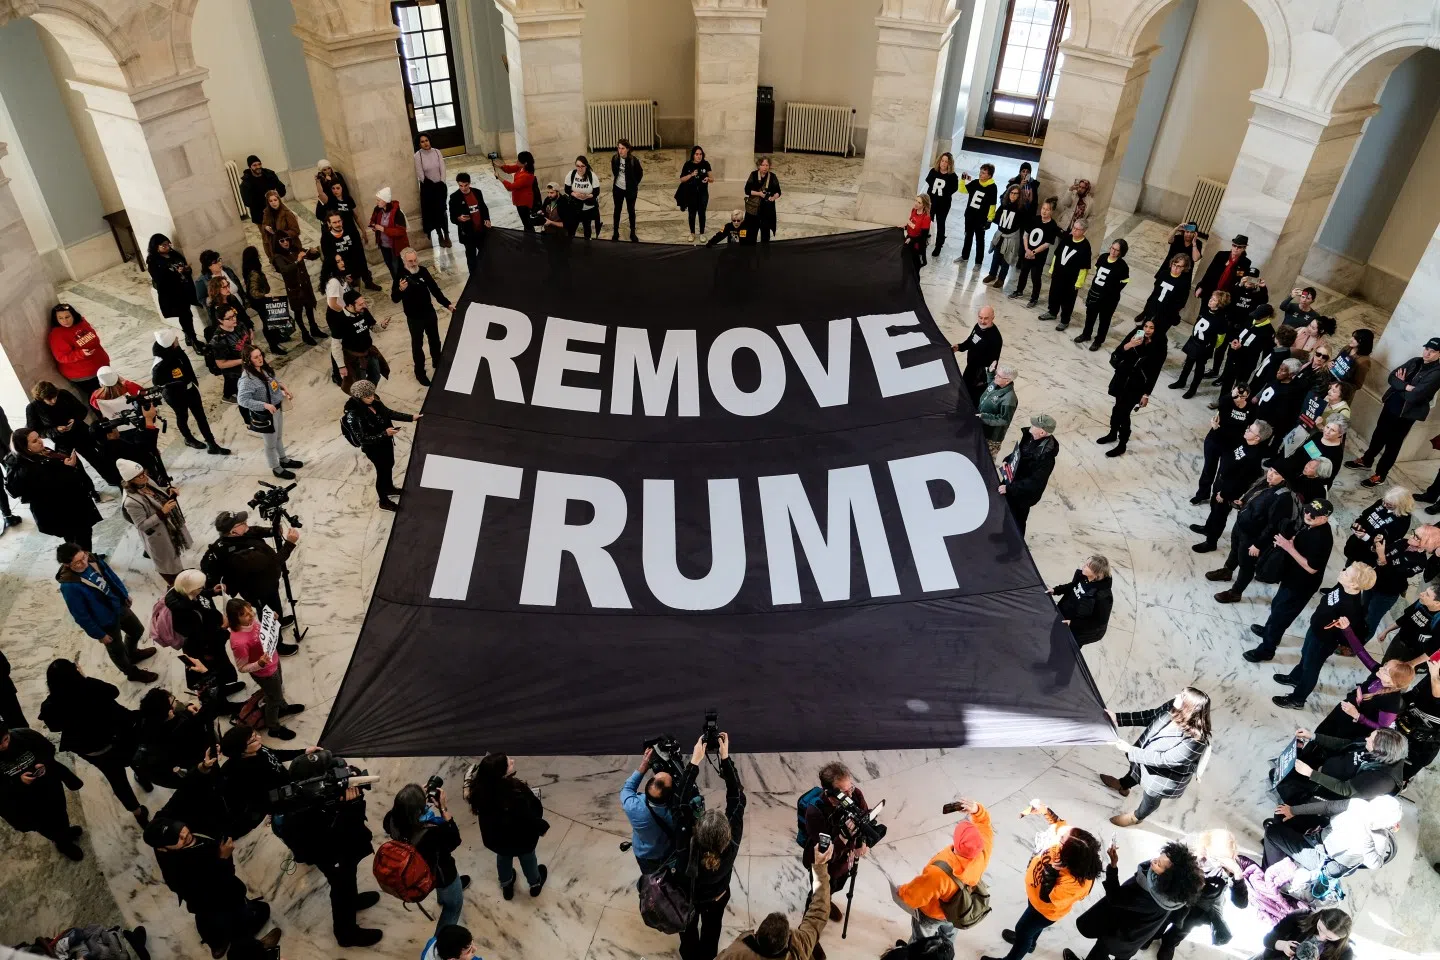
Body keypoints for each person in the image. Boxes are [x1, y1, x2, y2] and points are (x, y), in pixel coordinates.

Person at [272, 750, 384, 947]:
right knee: (341, 887)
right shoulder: (308, 809)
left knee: (348, 880)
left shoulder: (303, 794)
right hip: (332, 853)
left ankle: (353, 900)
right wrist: (352, 806)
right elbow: (342, 831)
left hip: (335, 850)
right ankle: (346, 934)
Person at [144, 815, 282, 959]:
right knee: (249, 922)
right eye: (175, 839)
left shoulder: (169, 847)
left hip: (208, 913)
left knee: (212, 922)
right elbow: (214, 892)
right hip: (220, 903)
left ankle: (217, 943)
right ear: (163, 849)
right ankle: (252, 949)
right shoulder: (179, 872)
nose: (184, 835)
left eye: (178, 829)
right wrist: (223, 860)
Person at [980, 801, 1100, 960]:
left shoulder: (1075, 883)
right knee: (1028, 931)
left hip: (1044, 910)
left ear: (1070, 854)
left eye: (1062, 839)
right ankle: (1029, 943)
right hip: (1035, 899)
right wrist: (1046, 811)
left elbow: (1047, 896)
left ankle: (1021, 946)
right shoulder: (1072, 846)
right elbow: (1059, 825)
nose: (1059, 835)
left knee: (1022, 929)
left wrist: (1052, 870)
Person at [38, 659, 150, 826]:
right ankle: (143, 777)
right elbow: (114, 691)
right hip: (119, 737)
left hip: (94, 751)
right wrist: (85, 678)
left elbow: (54, 727)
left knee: (118, 781)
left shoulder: (49, 706)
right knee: (134, 756)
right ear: (75, 672)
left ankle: (138, 813)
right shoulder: (90, 687)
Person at [1066, 840, 1203, 960]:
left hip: (1120, 934)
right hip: (1138, 936)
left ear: (1169, 877)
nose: (1152, 861)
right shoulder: (1173, 894)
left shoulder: (1148, 896)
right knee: (1122, 955)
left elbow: (1115, 897)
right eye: (1157, 858)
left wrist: (1113, 866)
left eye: (1158, 864)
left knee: (1101, 949)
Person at [1271, 561, 1376, 709]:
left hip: (1323, 641)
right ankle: (1295, 677)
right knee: (1305, 655)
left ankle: (1298, 699)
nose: (1342, 571)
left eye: (1346, 573)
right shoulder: (1342, 586)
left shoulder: (1351, 608)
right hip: (1315, 630)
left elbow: (1347, 634)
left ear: (1354, 585)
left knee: (1311, 667)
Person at [675, 733, 743, 960]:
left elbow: (680, 802)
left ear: (697, 830)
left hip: (688, 898)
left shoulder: (685, 844)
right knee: (712, 931)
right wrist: (725, 758)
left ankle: (689, 956)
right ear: (727, 835)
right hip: (717, 896)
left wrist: (694, 761)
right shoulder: (731, 845)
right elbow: (737, 798)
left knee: (688, 931)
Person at [1101, 688, 1212, 827]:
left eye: (1182, 696)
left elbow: (1164, 760)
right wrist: (1118, 718)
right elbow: (1151, 715)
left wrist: (1130, 749)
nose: (1176, 695)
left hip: (1164, 777)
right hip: (1146, 755)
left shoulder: (1196, 741)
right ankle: (1123, 785)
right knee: (1136, 771)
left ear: (1188, 707)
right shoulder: (1174, 705)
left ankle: (1136, 817)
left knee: (1150, 798)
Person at [1244, 498, 1335, 662]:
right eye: (1307, 510)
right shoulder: (1311, 526)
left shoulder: (1322, 538)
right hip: (1291, 578)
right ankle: (1269, 631)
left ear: (1325, 518)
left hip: (1301, 585)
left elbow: (1312, 568)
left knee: (1281, 616)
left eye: (1314, 515)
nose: (1308, 515)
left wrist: (1289, 548)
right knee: (1277, 606)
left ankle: (1267, 650)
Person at [54, 543, 158, 682]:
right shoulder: (69, 586)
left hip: (118, 605)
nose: (84, 562)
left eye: (83, 557)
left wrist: (124, 594)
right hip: (104, 621)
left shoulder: (91, 559)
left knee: (137, 630)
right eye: (77, 562)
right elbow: (80, 615)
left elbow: (111, 576)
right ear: (67, 565)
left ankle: (132, 654)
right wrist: (99, 634)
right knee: (117, 651)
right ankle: (132, 673)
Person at [1346, 337, 1440, 487]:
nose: (1427, 353)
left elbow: (1415, 395)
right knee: (1378, 435)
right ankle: (1366, 460)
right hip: (1391, 405)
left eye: (1432, 351)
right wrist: (1405, 386)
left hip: (1406, 414)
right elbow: (1392, 377)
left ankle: (1380, 475)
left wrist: (1401, 385)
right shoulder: (1415, 361)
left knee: (1392, 445)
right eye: (1426, 349)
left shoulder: (1436, 373)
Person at [895, 798, 992, 943]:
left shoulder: (940, 873)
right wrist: (977, 810)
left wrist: (901, 891)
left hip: (932, 915)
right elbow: (985, 825)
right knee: (948, 935)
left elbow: (914, 896)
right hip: (957, 911)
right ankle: (946, 950)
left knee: (921, 942)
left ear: (957, 843)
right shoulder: (983, 850)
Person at [716, 843, 831, 960]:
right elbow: (819, 912)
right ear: (786, 943)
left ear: (757, 935)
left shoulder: (735, 953)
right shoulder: (799, 948)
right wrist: (820, 866)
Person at [1261, 794, 1401, 887]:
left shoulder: (1379, 840)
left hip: (1326, 860)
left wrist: (1366, 839)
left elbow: (1374, 864)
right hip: (1320, 834)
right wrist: (1293, 810)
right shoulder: (1358, 805)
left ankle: (1268, 873)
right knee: (1281, 812)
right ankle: (1281, 850)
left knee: (1272, 832)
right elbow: (1328, 807)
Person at [384, 782, 469, 935]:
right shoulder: (432, 831)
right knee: (454, 906)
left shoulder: (391, 819)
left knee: (442, 891)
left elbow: (398, 814)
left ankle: (442, 898)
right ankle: (440, 944)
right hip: (442, 874)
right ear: (419, 810)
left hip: (418, 872)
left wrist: (411, 799)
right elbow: (454, 840)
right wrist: (443, 808)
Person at [202, 509, 300, 638]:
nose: (246, 523)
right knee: (267, 613)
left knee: (274, 604)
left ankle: (279, 621)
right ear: (233, 531)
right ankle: (276, 644)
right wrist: (289, 544)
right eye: (242, 522)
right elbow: (273, 562)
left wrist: (272, 530)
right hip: (258, 590)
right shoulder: (238, 555)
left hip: (268, 583)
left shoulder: (239, 534)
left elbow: (254, 530)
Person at [466, 753, 549, 899]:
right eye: (509, 763)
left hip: (498, 840)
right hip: (521, 838)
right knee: (528, 859)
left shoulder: (480, 792)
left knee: (503, 859)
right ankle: (535, 884)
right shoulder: (515, 792)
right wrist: (541, 826)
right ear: (501, 773)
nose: (513, 761)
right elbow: (530, 814)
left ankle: (506, 885)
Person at [1208, 466, 1298, 602]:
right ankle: (1227, 571)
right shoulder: (1264, 483)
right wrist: (1243, 503)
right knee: (1234, 551)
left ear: (1284, 478)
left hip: (1254, 537)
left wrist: (1258, 544)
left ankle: (1235, 592)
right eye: (1271, 470)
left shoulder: (1283, 498)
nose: (1270, 475)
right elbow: (1254, 499)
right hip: (1241, 526)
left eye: (1276, 473)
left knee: (1246, 565)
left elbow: (1273, 525)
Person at [1152, 831, 1245, 960]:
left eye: (1226, 858)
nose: (1220, 863)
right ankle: (1154, 934)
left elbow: (1241, 903)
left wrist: (1237, 874)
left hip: (1202, 906)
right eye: (1217, 858)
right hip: (1182, 896)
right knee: (1166, 916)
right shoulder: (1191, 855)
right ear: (1206, 849)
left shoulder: (1230, 869)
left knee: (1184, 927)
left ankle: (1169, 943)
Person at [0, 725, 87, 860]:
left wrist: (43, 762)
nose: (4, 746)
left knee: (60, 811)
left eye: (5, 739)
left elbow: (48, 748)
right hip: (24, 800)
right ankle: (62, 843)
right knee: (44, 824)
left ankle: (65, 831)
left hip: (49, 786)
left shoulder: (25, 735)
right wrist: (18, 781)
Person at [801, 761, 873, 924]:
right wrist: (843, 837)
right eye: (843, 793)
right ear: (829, 792)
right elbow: (825, 854)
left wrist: (863, 841)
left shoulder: (855, 794)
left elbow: (865, 817)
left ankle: (828, 901)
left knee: (836, 886)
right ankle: (809, 930)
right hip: (824, 865)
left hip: (845, 862)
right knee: (817, 895)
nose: (849, 797)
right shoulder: (815, 811)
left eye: (850, 789)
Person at [8, 429, 103, 551]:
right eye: (34, 441)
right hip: (62, 510)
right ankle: (85, 561)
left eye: (38, 437)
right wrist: (69, 468)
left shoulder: (38, 455)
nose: (41, 442)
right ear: (25, 447)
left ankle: (85, 557)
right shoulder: (30, 469)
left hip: (67, 508)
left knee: (76, 537)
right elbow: (55, 488)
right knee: (81, 535)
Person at [1190, 420, 1273, 552]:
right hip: (1221, 480)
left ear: (1257, 438)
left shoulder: (1253, 457)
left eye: (1250, 430)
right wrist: (1216, 429)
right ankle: (1207, 528)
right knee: (1213, 506)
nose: (1247, 430)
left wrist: (1224, 494)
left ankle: (1211, 542)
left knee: (1219, 515)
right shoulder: (1244, 440)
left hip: (1228, 490)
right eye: (1248, 427)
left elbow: (1240, 481)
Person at [227, 598, 303, 738]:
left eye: (250, 609)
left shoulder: (251, 623)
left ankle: (282, 707)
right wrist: (259, 664)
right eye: (245, 614)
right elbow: (242, 667)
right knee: (273, 698)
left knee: (277, 689)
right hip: (264, 672)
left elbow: (263, 634)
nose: (251, 614)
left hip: (273, 661)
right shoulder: (239, 642)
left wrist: (272, 622)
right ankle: (273, 727)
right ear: (235, 618)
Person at [25, 379, 120, 488]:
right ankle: (89, 490)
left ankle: (113, 480)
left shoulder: (63, 394)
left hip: (80, 432)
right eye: (49, 399)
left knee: (96, 457)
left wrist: (75, 419)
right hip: (61, 441)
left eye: (54, 397)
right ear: (40, 398)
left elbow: (82, 410)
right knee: (75, 467)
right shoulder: (32, 408)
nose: (53, 401)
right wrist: (56, 430)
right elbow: (35, 431)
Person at [343, 380, 419, 511]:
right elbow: (362, 438)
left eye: (373, 394)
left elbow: (388, 412)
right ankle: (383, 501)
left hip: (385, 442)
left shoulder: (374, 401)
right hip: (373, 448)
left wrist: (411, 417)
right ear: (358, 397)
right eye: (368, 397)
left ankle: (389, 488)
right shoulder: (353, 415)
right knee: (382, 472)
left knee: (390, 464)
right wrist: (384, 434)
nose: (372, 398)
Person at [1038, 556, 1114, 686]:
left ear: (1097, 574)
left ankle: (1062, 682)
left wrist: (1073, 623)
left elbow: (1098, 622)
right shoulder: (1084, 577)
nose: (1084, 566)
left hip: (1080, 630)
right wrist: (1056, 590)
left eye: (1088, 566)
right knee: (1055, 641)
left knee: (1067, 654)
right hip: (1064, 617)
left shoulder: (1103, 596)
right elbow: (1072, 586)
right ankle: (1052, 665)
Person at [1280, 726, 1407, 804]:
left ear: (1381, 750)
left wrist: (1311, 773)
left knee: (1286, 789)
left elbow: (1346, 789)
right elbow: (1346, 744)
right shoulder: (1376, 744)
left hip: (1326, 790)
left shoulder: (1382, 780)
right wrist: (1313, 736)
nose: (1367, 738)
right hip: (1324, 769)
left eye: (1371, 740)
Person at [216, 725, 303, 838]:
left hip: (285, 786)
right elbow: (263, 800)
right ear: (241, 751)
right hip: (279, 799)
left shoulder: (257, 749)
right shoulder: (243, 773)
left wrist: (304, 751)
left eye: (255, 734)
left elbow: (275, 754)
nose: (259, 738)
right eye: (253, 739)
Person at [166, 568, 241, 696]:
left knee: (220, 670)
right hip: (206, 650)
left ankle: (223, 686)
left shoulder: (180, 592)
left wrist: (211, 592)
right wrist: (224, 627)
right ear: (190, 591)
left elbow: (200, 598)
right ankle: (221, 697)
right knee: (214, 674)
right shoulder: (185, 614)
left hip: (209, 642)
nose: (203, 588)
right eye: (201, 587)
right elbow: (204, 636)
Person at [151, 331, 228, 454]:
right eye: (174, 338)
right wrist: (177, 382)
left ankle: (211, 443)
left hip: (190, 388)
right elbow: (158, 383)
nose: (177, 337)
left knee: (200, 416)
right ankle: (188, 438)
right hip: (175, 395)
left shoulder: (176, 350)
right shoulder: (160, 364)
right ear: (170, 344)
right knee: (182, 416)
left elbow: (186, 366)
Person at [117, 458, 191, 586]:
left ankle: (180, 574)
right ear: (131, 481)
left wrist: (168, 491)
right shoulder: (131, 502)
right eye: (139, 476)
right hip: (158, 533)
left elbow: (156, 492)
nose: (144, 477)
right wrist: (162, 512)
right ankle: (175, 584)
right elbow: (141, 525)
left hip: (169, 526)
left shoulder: (146, 481)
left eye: (143, 473)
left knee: (173, 555)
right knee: (166, 562)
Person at [1098, 319, 1165, 457]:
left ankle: (1122, 444)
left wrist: (1146, 394)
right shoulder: (1135, 335)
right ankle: (1112, 433)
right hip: (1122, 378)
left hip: (1137, 384)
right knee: (1117, 408)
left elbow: (1155, 372)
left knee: (1123, 412)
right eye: (1145, 326)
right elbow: (1118, 352)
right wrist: (1129, 345)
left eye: (1151, 327)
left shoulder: (1160, 345)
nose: (1147, 330)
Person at [237, 346, 302, 480]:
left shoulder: (263, 369)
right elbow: (242, 400)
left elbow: (274, 381)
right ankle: (276, 468)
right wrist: (264, 405)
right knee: (270, 443)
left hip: (277, 409)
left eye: (260, 355)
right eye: (256, 357)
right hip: (266, 415)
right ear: (248, 360)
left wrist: (284, 387)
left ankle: (284, 460)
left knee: (278, 437)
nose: (260, 359)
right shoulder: (247, 380)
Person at [391, 247, 453, 385]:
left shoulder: (423, 271)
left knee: (435, 340)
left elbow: (435, 289)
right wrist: (400, 289)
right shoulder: (400, 275)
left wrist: (447, 304)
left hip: (429, 312)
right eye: (410, 261)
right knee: (417, 345)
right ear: (404, 261)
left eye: (415, 260)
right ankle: (419, 373)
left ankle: (437, 362)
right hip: (414, 318)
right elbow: (394, 298)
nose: (413, 263)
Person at [619, 745, 680, 875]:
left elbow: (627, 789)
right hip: (667, 855)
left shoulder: (632, 806)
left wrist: (643, 766)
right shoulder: (672, 816)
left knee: (651, 885)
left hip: (644, 856)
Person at [999, 415, 1059, 535]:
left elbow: (1034, 482)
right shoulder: (1030, 436)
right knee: (1007, 512)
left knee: (1017, 520)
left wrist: (1009, 488)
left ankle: (1015, 547)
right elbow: (1019, 451)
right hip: (1013, 482)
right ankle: (1004, 534)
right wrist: (1008, 459)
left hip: (1022, 494)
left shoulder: (1046, 458)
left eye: (1034, 425)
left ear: (1042, 432)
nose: (1031, 426)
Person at [1193, 385, 1253, 503]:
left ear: (1248, 397)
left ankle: (1218, 497)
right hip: (1215, 441)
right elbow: (1222, 402)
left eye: (1243, 397)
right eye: (1237, 395)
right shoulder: (1227, 402)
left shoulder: (1251, 409)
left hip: (1232, 445)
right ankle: (1202, 494)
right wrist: (1231, 395)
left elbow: (1246, 428)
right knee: (1208, 469)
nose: (1239, 399)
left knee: (1223, 474)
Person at [1171, 292, 1232, 398]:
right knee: (1188, 363)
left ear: (1220, 304)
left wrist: (1210, 346)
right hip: (1194, 341)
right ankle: (1181, 381)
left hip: (1205, 347)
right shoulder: (1205, 309)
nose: (1210, 300)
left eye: (1214, 300)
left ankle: (1193, 389)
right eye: (1211, 298)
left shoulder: (1221, 319)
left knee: (1199, 368)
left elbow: (1221, 338)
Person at [146, 234, 201, 349]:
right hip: (173, 294)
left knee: (186, 314)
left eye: (168, 244)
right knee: (185, 315)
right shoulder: (153, 261)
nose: (167, 247)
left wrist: (186, 270)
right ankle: (193, 338)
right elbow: (159, 279)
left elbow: (184, 267)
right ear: (156, 246)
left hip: (185, 289)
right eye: (164, 245)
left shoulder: (174, 254)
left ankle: (189, 336)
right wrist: (176, 273)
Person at [270, 233, 327, 344]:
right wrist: (297, 260)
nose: (285, 242)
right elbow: (285, 270)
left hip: (305, 285)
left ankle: (314, 328)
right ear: (277, 243)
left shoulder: (295, 249)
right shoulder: (278, 257)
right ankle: (305, 333)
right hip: (294, 288)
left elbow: (310, 256)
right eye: (281, 241)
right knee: (298, 311)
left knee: (309, 306)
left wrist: (313, 252)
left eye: (286, 239)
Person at [1073, 239, 1130, 346]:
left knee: (1104, 321)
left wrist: (1111, 291)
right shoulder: (1103, 257)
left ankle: (1099, 341)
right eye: (1112, 248)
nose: (1113, 251)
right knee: (1090, 316)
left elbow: (1124, 282)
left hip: (1109, 299)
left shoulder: (1122, 266)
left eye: (1116, 250)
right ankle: (1086, 334)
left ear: (1121, 252)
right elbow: (1097, 271)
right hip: (1095, 293)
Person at [332, 290, 390, 391]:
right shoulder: (339, 320)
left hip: (369, 352)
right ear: (350, 305)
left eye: (363, 302)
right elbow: (336, 345)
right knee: (360, 384)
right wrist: (341, 366)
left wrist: (381, 326)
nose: (364, 306)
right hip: (355, 358)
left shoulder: (363, 311)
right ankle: (362, 400)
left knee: (376, 375)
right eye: (360, 304)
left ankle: (368, 395)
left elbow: (373, 327)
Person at [48, 303, 109, 395]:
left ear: (73, 315)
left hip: (102, 366)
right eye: (60, 318)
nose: (65, 321)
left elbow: (94, 337)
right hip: (85, 375)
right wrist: (81, 353)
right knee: (99, 397)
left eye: (67, 317)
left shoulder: (82, 322)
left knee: (112, 392)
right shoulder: (57, 335)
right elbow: (62, 357)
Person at [1041, 220, 1092, 330]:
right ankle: (1052, 312)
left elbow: (1084, 268)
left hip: (1071, 279)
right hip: (1058, 274)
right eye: (1074, 227)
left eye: (1077, 229)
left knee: (1067, 300)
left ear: (1084, 231)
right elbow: (1057, 255)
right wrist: (1052, 270)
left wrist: (1079, 283)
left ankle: (1064, 320)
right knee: (1054, 293)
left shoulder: (1085, 246)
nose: (1074, 230)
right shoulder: (1067, 238)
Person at [1009, 197, 1060, 307]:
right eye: (1043, 208)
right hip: (1028, 252)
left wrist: (1033, 252)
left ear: (1052, 211)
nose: (1044, 211)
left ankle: (1034, 298)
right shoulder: (1034, 219)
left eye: (1047, 209)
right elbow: (1026, 234)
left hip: (1039, 257)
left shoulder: (1052, 226)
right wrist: (1027, 249)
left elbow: (1047, 244)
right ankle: (1019, 291)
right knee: (1023, 272)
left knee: (1035, 277)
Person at [952, 306, 1003, 406]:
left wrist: (984, 380)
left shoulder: (995, 338)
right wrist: (959, 347)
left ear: (992, 318)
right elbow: (971, 341)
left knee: (973, 398)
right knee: (963, 390)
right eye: (980, 317)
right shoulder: (978, 326)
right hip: (971, 367)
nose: (982, 321)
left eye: (986, 318)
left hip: (980, 375)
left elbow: (992, 364)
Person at [1259, 907, 1352, 960]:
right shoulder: (1301, 916)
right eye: (1320, 929)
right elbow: (1267, 940)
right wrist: (1282, 945)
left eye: (1329, 937)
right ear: (1320, 916)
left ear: (1342, 937)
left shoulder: (1345, 954)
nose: (1322, 937)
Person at [320, 209, 376, 293]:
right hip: (341, 273)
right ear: (329, 223)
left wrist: (356, 273)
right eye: (334, 222)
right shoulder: (326, 238)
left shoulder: (351, 232)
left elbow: (359, 253)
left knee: (356, 294)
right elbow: (329, 259)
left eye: (339, 221)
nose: (338, 224)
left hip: (354, 269)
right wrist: (342, 274)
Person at [982, 184, 1025, 287]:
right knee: (996, 256)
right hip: (1001, 235)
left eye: (1016, 194)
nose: (1013, 195)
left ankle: (1001, 279)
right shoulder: (1004, 205)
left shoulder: (1021, 209)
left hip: (1011, 237)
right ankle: (992, 274)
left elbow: (1022, 224)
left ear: (1019, 196)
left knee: (1006, 259)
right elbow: (997, 217)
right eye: (1011, 193)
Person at [449, 172, 492, 271]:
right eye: (460, 185)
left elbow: (484, 208)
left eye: (466, 185)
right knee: (471, 258)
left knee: (486, 253)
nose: (463, 188)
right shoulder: (454, 197)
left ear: (470, 183)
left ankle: (488, 273)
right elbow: (452, 218)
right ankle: (474, 279)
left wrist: (487, 219)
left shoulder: (477, 192)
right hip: (468, 234)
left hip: (481, 230)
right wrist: (459, 218)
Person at [208, 305, 251, 403]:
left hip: (247, 364)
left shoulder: (239, 324)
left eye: (234, 316)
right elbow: (221, 364)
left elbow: (247, 339)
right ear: (220, 320)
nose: (234, 319)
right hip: (235, 372)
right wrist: (243, 360)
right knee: (242, 395)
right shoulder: (219, 340)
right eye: (229, 318)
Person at [957, 163, 997, 267]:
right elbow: (962, 190)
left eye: (983, 173)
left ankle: (978, 262)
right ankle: (964, 257)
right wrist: (962, 180)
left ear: (989, 175)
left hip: (981, 219)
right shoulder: (975, 183)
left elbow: (992, 205)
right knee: (968, 237)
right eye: (980, 172)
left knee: (980, 240)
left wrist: (990, 220)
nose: (980, 174)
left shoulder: (992, 188)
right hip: (970, 216)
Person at [415, 133, 451, 247]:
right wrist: (431, 186)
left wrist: (442, 182)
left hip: (440, 187)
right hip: (428, 189)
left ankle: (447, 235)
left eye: (426, 140)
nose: (425, 143)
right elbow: (420, 174)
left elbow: (443, 168)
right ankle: (439, 235)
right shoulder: (418, 155)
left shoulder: (437, 152)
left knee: (443, 211)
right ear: (419, 144)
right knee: (434, 213)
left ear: (430, 141)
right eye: (422, 141)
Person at [976, 364, 1019, 459]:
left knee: (986, 460)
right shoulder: (997, 383)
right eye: (996, 374)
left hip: (991, 437)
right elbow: (991, 384)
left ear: (1007, 380)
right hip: (982, 427)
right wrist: (990, 373)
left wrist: (984, 417)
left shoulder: (1009, 399)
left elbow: (1004, 419)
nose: (996, 376)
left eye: (999, 376)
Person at [1194, 234, 1250, 305]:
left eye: (1239, 247)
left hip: (1225, 295)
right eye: (1234, 245)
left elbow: (1239, 278)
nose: (1236, 248)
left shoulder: (1245, 262)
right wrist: (1201, 287)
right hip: (1210, 289)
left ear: (1244, 248)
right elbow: (1209, 272)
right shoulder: (1221, 255)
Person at [922, 152, 960, 256]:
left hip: (943, 204)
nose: (943, 163)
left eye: (946, 162)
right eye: (942, 161)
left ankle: (938, 245)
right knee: (927, 221)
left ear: (950, 164)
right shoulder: (933, 172)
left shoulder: (952, 177)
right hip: (931, 202)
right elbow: (929, 184)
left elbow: (952, 190)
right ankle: (922, 242)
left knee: (941, 223)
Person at [368, 186, 410, 278]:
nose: (377, 202)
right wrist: (374, 226)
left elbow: (401, 231)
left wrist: (383, 229)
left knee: (398, 268)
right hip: (384, 246)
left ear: (385, 201)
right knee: (391, 267)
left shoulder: (397, 213)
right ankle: (397, 285)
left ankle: (403, 285)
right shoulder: (378, 209)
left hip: (395, 246)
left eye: (379, 200)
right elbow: (372, 221)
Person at [610, 140, 644, 240]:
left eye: (623, 148)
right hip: (618, 188)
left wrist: (633, 184)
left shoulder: (634, 161)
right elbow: (614, 171)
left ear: (627, 149)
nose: (620, 151)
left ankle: (632, 232)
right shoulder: (615, 159)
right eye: (619, 148)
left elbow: (640, 174)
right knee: (617, 210)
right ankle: (615, 231)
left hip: (630, 190)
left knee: (631, 211)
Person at [679, 145, 714, 242]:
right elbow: (682, 179)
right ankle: (692, 233)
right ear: (693, 155)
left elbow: (712, 179)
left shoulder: (706, 164)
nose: (699, 156)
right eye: (697, 154)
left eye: (700, 154)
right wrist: (691, 175)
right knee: (692, 214)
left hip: (703, 193)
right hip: (691, 193)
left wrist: (708, 179)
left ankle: (702, 233)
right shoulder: (688, 165)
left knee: (702, 214)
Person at [238, 154, 285, 225]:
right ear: (250, 167)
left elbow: (281, 188)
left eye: (259, 164)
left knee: (280, 230)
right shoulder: (246, 183)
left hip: (274, 209)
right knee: (265, 234)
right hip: (259, 214)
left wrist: (276, 198)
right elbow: (247, 202)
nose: (258, 167)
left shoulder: (269, 175)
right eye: (254, 165)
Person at [744, 157, 782, 244]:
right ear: (758, 166)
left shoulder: (773, 176)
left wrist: (773, 198)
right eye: (762, 165)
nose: (765, 167)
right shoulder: (753, 175)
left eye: (767, 165)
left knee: (765, 234)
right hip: (754, 208)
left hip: (767, 209)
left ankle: (765, 253)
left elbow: (778, 192)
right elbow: (747, 190)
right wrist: (759, 194)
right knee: (751, 233)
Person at [565, 155, 603, 239]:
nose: (580, 169)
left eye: (582, 166)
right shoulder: (571, 174)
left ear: (586, 166)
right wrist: (574, 194)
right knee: (572, 229)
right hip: (575, 206)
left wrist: (587, 196)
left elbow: (596, 192)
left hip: (589, 207)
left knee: (588, 230)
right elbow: (567, 189)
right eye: (578, 166)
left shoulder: (592, 176)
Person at [258, 189, 300, 261]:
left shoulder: (287, 213)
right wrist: (266, 227)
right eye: (270, 201)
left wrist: (282, 234)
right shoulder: (267, 213)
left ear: (279, 200)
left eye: (275, 200)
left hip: (288, 245)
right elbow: (264, 224)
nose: (273, 203)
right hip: (275, 245)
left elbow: (296, 231)